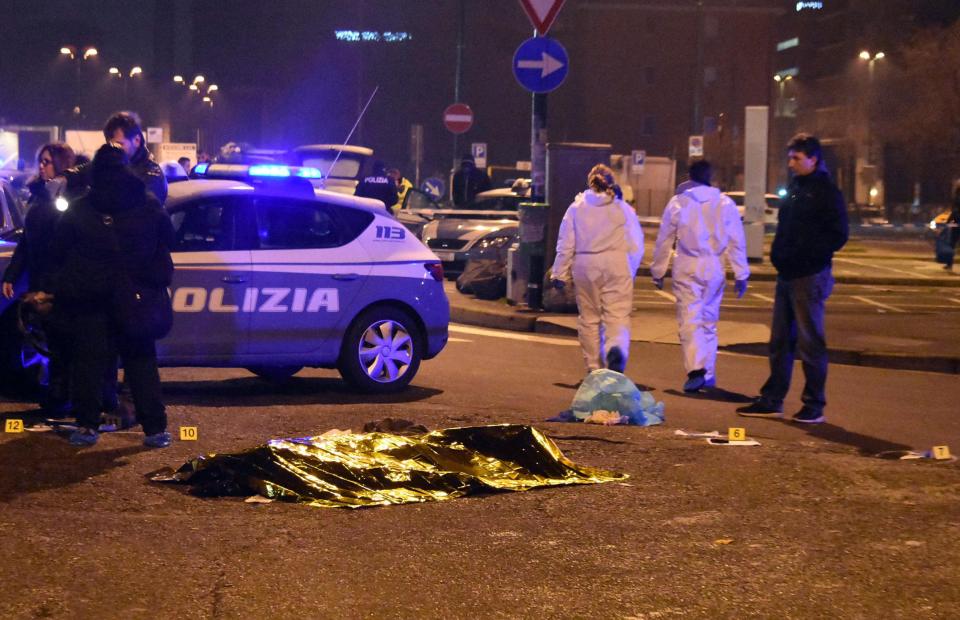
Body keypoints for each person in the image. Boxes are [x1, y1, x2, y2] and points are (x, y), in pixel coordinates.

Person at [48, 143, 175, 447]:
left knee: (88, 363)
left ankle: (88, 425)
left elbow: (60, 249)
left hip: (91, 297)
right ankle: (155, 429)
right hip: (135, 296)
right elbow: (166, 239)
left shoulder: (82, 207)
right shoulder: (146, 204)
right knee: (141, 361)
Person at [737, 134, 848, 424]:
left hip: (809, 275)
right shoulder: (797, 187)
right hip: (787, 274)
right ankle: (773, 399)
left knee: (811, 343)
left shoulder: (826, 192)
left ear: (814, 159)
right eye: (790, 157)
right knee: (780, 341)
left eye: (797, 158)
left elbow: (838, 234)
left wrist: (808, 256)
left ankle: (814, 404)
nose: (791, 163)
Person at [650, 160, 749, 392]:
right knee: (708, 321)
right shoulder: (725, 203)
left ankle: (696, 369)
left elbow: (665, 239)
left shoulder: (679, 202)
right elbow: (737, 240)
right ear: (710, 176)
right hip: (715, 265)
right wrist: (741, 273)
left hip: (687, 263)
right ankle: (709, 372)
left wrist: (658, 270)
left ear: (690, 177)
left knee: (689, 318)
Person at [2, 143, 76, 414]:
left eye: (48, 161)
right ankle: (54, 394)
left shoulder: (68, 197)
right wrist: (12, 274)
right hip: (40, 278)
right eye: (41, 161)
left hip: (58, 282)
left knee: (60, 342)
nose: (43, 166)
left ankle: (61, 398)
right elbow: (27, 242)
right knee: (47, 340)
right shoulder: (38, 196)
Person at [550, 164, 644, 373]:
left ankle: (593, 367)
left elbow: (566, 243)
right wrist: (631, 268)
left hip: (586, 264)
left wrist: (559, 273)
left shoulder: (576, 208)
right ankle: (616, 350)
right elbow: (636, 242)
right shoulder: (623, 208)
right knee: (617, 315)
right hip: (617, 263)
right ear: (611, 182)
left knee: (589, 319)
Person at [65, 111, 168, 205]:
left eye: (119, 145)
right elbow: (83, 170)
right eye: (110, 145)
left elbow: (134, 205)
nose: (114, 149)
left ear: (136, 140)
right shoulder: (107, 163)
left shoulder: (152, 175)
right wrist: (63, 177)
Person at [942, 181, 960, 271]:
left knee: (952, 244)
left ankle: (949, 264)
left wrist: (948, 221)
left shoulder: (957, 198)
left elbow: (955, 211)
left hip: (956, 223)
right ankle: (949, 264)